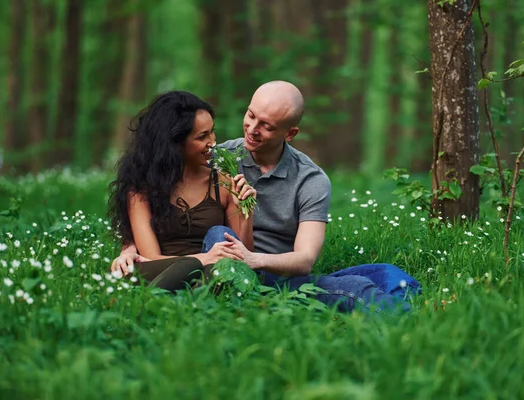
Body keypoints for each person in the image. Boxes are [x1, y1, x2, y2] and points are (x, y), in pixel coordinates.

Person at [111, 81, 420, 313]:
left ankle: (408, 313)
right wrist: (130, 245)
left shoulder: (311, 180)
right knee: (222, 236)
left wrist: (251, 257)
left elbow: (304, 260)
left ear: (290, 133)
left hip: (272, 272)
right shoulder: (219, 157)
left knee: (383, 276)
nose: (252, 130)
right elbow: (160, 177)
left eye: (267, 126)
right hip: (221, 266)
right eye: (250, 115)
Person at [108, 91, 256, 292]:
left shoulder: (222, 182)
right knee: (190, 266)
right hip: (162, 271)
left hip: (209, 270)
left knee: (218, 269)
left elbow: (243, 256)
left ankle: (194, 297)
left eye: (212, 131)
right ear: (174, 143)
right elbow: (151, 257)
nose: (212, 142)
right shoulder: (141, 188)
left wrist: (246, 214)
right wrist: (203, 258)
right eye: (202, 136)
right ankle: (156, 301)